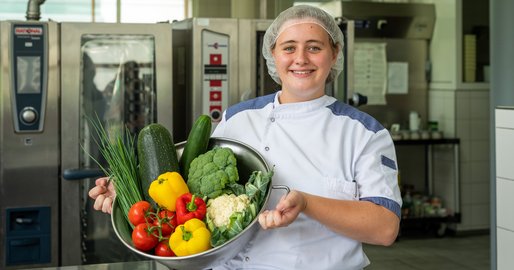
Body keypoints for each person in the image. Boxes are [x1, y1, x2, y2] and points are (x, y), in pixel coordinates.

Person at [89, 5, 401, 269]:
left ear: (334, 54)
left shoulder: (365, 133)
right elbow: (185, 188)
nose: (301, 59)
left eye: (314, 47)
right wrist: (130, 188)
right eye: (289, 47)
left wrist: (306, 203)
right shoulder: (239, 118)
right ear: (273, 56)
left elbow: (385, 228)